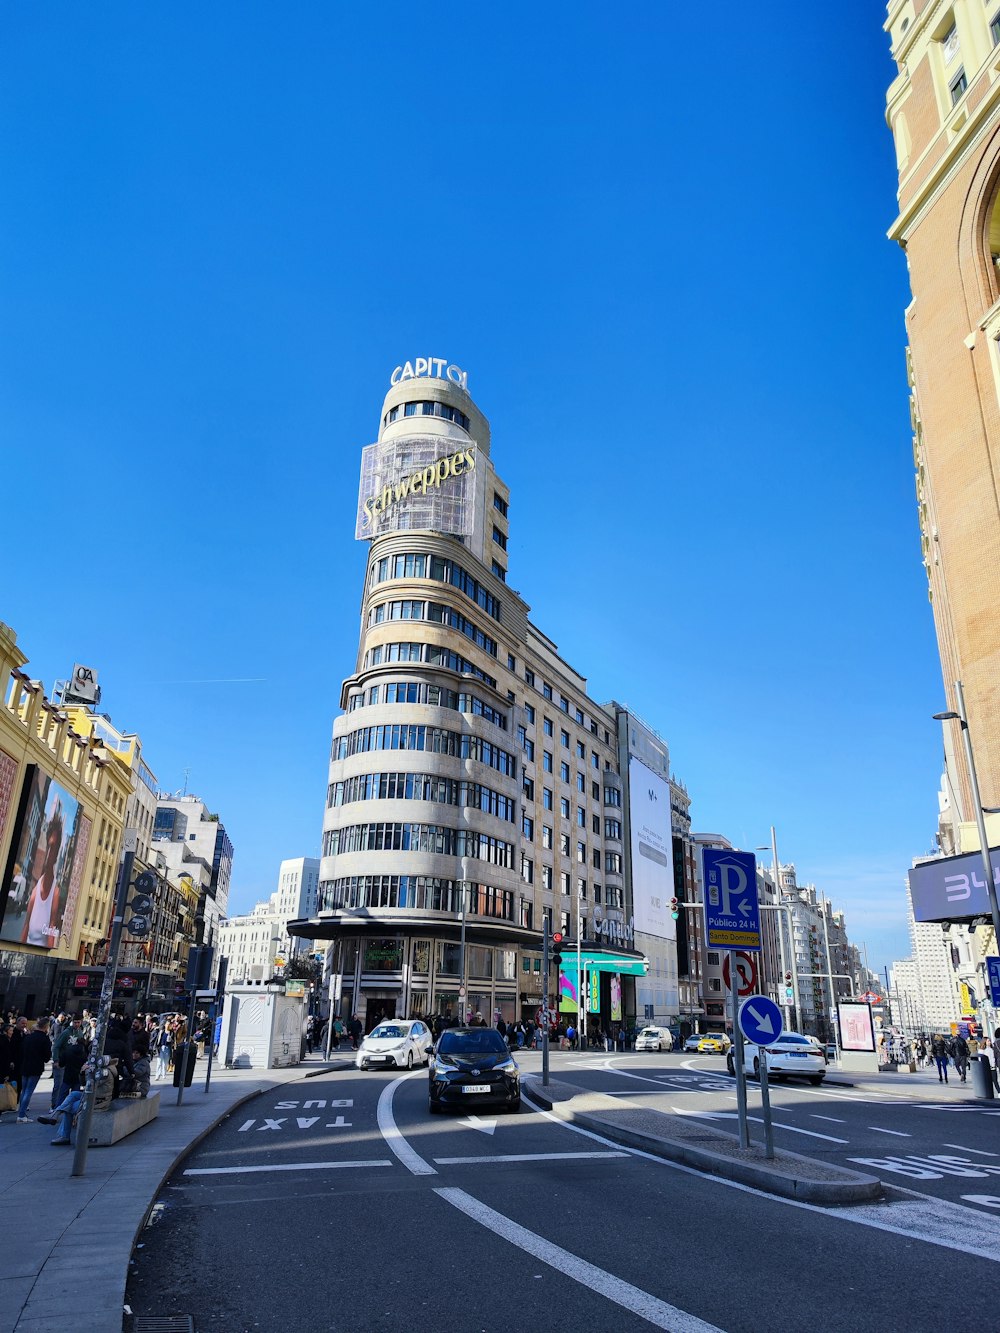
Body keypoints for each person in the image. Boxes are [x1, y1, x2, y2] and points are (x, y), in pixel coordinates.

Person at [21, 812, 64, 948]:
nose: (50, 852)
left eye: (54, 848)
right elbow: (26, 926)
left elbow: (52, 930)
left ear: (57, 853)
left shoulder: (55, 893)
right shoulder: (35, 891)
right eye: (49, 846)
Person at [17, 1017, 52, 1122]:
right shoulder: (45, 1039)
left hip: (25, 1065)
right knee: (29, 1091)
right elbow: (47, 1057)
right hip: (36, 1067)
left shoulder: (28, 1037)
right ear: (46, 1027)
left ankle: (21, 1113)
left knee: (24, 1090)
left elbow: (22, 1051)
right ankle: (22, 1114)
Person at [52, 1014, 89, 1109]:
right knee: (59, 1086)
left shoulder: (80, 1032)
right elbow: (56, 1046)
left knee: (71, 1088)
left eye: (78, 1022)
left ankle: (68, 1107)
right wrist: (56, 1059)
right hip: (63, 1060)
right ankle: (54, 1106)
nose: (76, 1024)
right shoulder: (66, 1033)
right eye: (75, 1022)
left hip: (74, 1064)